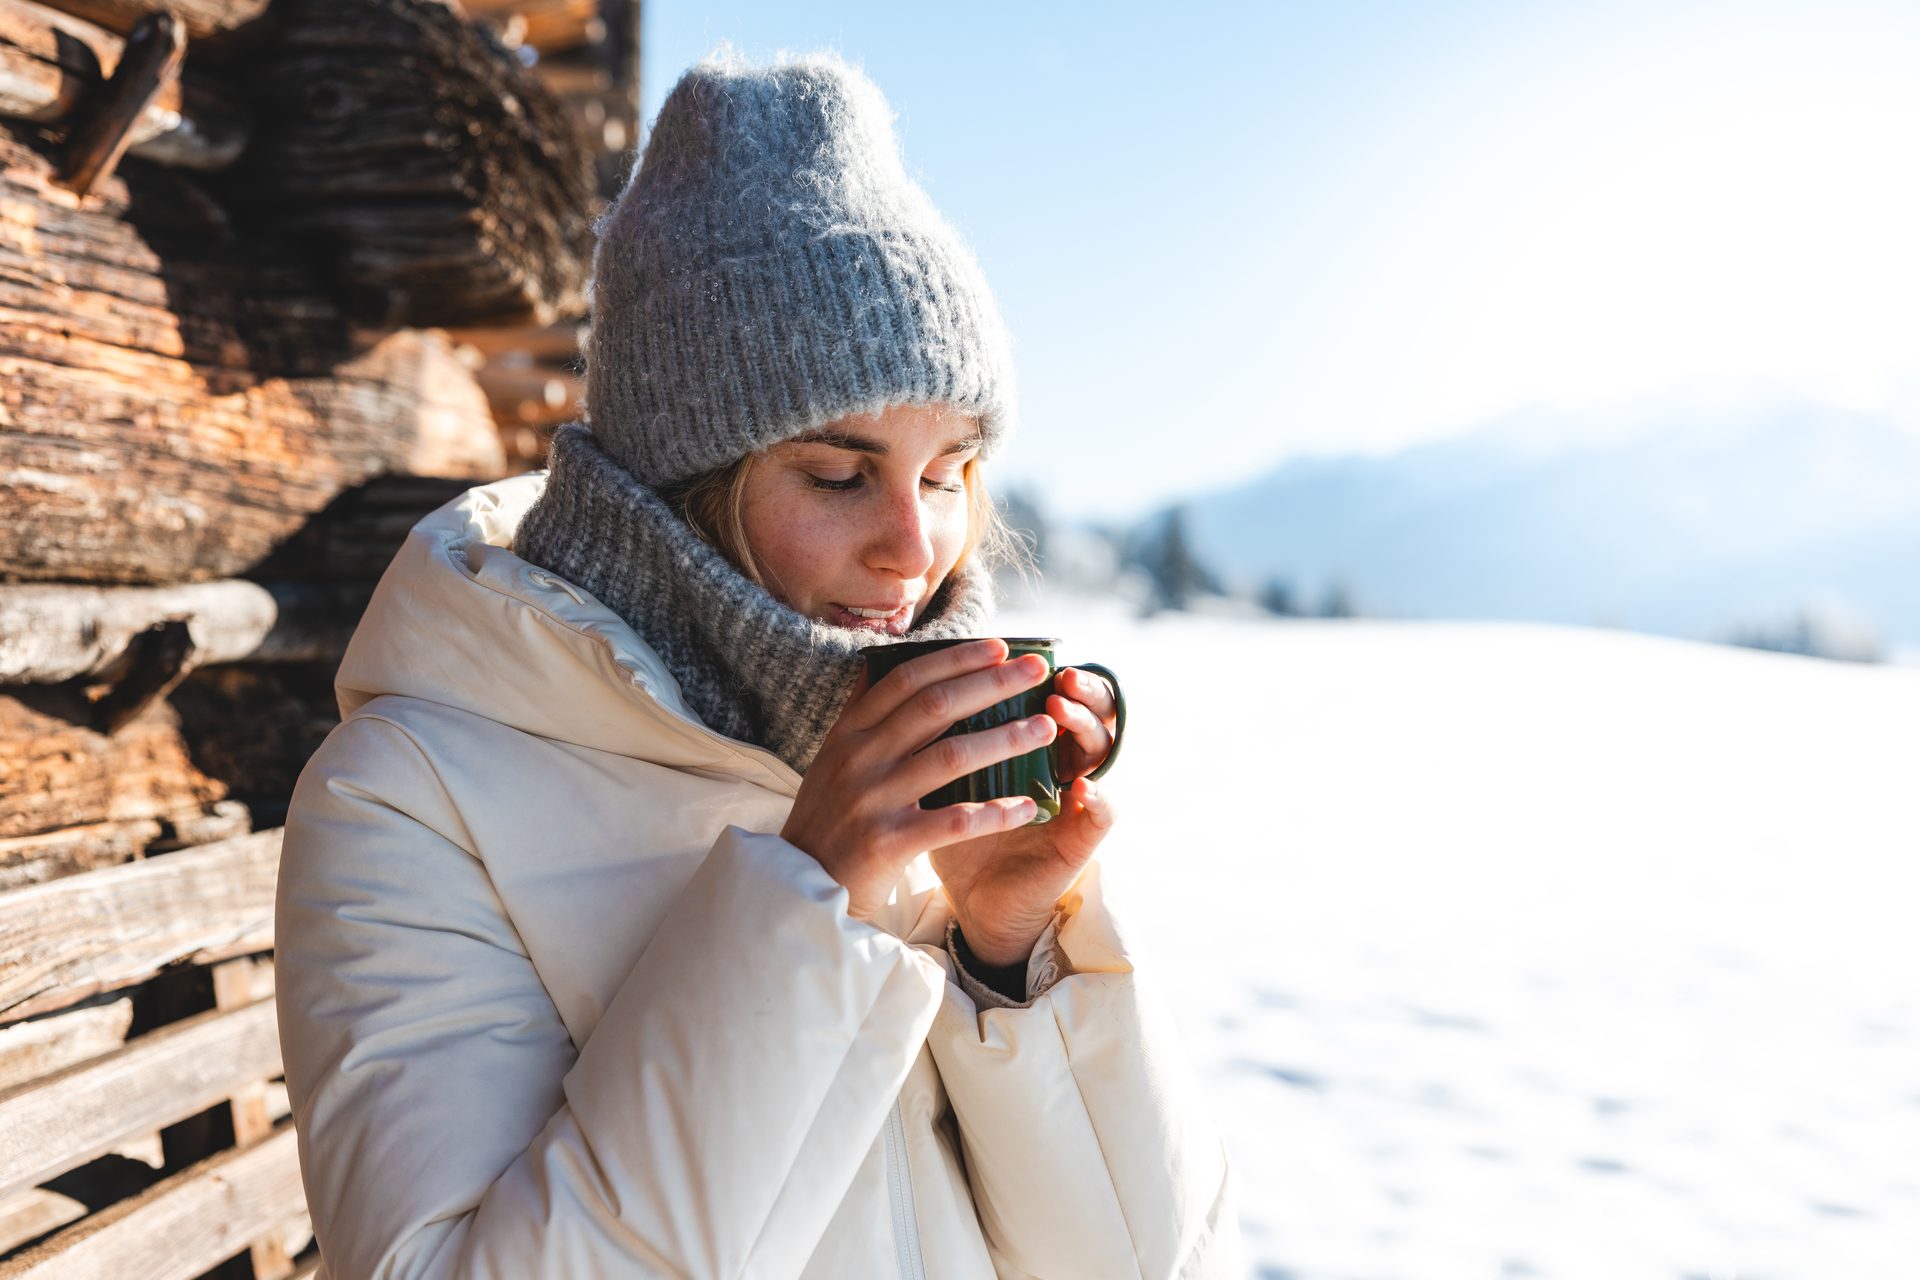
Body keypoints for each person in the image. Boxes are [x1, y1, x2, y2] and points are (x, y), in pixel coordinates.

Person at [276, 49, 1241, 1279]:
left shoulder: (908, 750)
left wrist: (1012, 958)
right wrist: (805, 893)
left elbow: (1146, 1263)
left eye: (947, 473)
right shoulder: (406, 796)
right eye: (838, 475)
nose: (915, 547)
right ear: (681, 485)